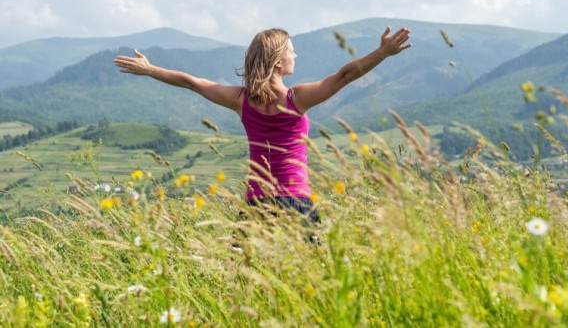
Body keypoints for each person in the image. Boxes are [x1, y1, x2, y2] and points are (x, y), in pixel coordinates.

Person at [114, 26, 411, 227]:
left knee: (248, 290)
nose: (296, 55)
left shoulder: (240, 100)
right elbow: (345, 75)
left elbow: (192, 83)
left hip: (257, 205)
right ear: (279, 62)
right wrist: (382, 53)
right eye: (291, 52)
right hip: (297, 202)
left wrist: (150, 69)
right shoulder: (298, 98)